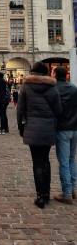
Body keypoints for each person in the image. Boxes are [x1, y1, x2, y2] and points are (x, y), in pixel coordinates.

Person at [17, 61, 62, 209]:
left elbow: (20, 110)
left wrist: (21, 128)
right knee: (45, 160)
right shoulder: (52, 87)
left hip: (32, 128)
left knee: (36, 162)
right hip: (48, 129)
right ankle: (46, 194)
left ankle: (40, 196)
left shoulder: (26, 87)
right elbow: (58, 110)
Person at [53, 66, 77, 204]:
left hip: (62, 128)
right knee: (71, 159)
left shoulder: (54, 89)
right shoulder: (74, 88)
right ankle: (73, 189)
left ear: (55, 74)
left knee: (64, 162)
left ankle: (67, 193)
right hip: (75, 128)